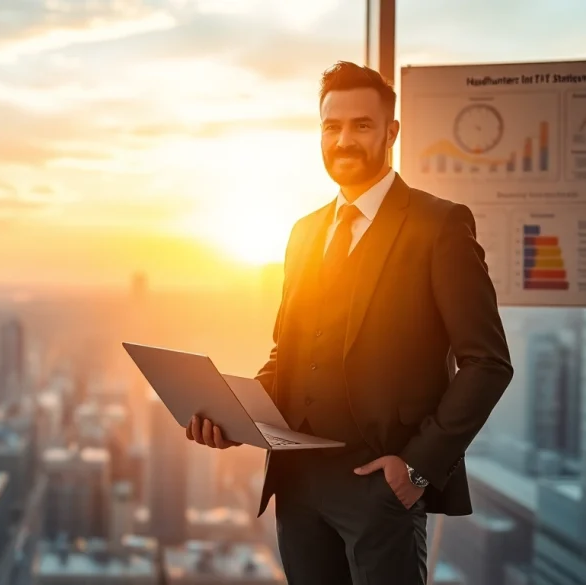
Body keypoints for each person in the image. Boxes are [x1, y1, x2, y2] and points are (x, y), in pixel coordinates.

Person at [186, 61, 513, 584]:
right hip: (296, 484)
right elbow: (286, 357)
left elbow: (488, 363)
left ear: (392, 132)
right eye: (331, 126)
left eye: (361, 125)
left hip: (380, 486)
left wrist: (415, 468)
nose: (343, 140)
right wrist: (231, 417)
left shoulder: (440, 225)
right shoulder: (303, 233)